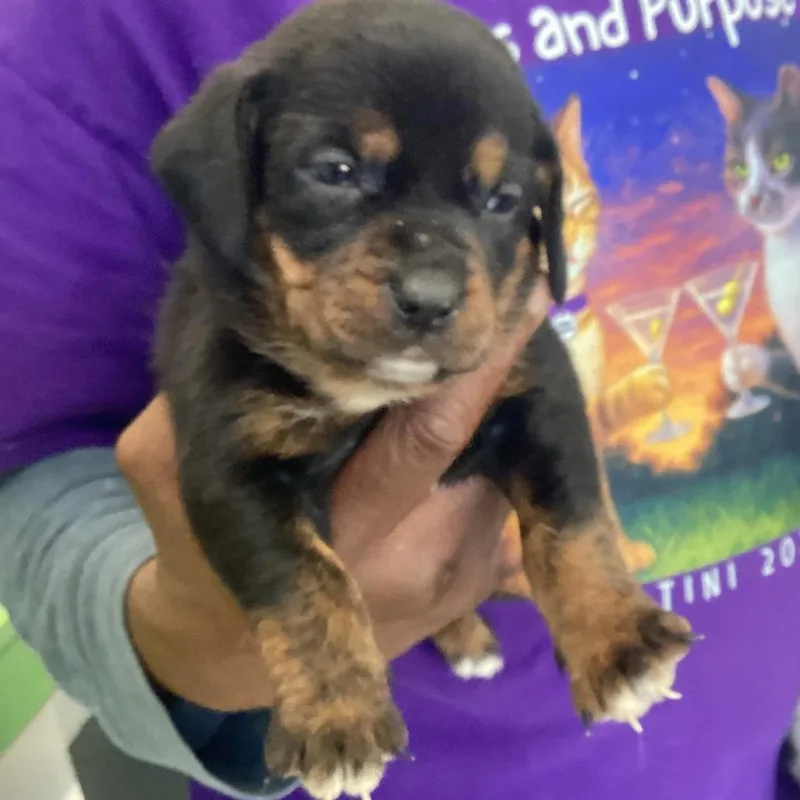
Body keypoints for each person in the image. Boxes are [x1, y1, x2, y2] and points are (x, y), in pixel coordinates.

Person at [1, 1, 799, 799]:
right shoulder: (108, 26)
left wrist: (593, 597)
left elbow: (543, 414)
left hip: (749, 752)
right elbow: (50, 466)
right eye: (339, 173)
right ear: (228, 172)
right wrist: (193, 636)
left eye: (494, 201)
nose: (429, 280)